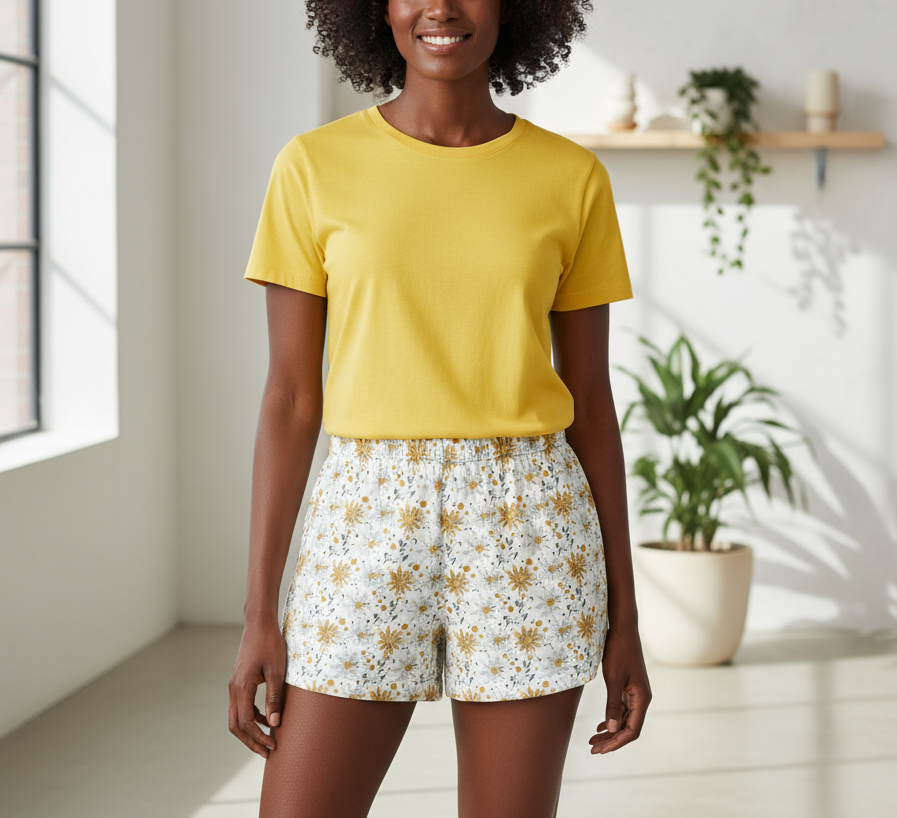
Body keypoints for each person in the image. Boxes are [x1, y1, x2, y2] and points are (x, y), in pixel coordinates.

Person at [228, 1, 652, 816]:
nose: (442, 7)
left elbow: (593, 406)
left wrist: (625, 619)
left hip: (530, 517)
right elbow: (288, 399)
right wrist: (259, 616)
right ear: (375, 9)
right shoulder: (313, 166)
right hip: (365, 512)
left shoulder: (570, 177)